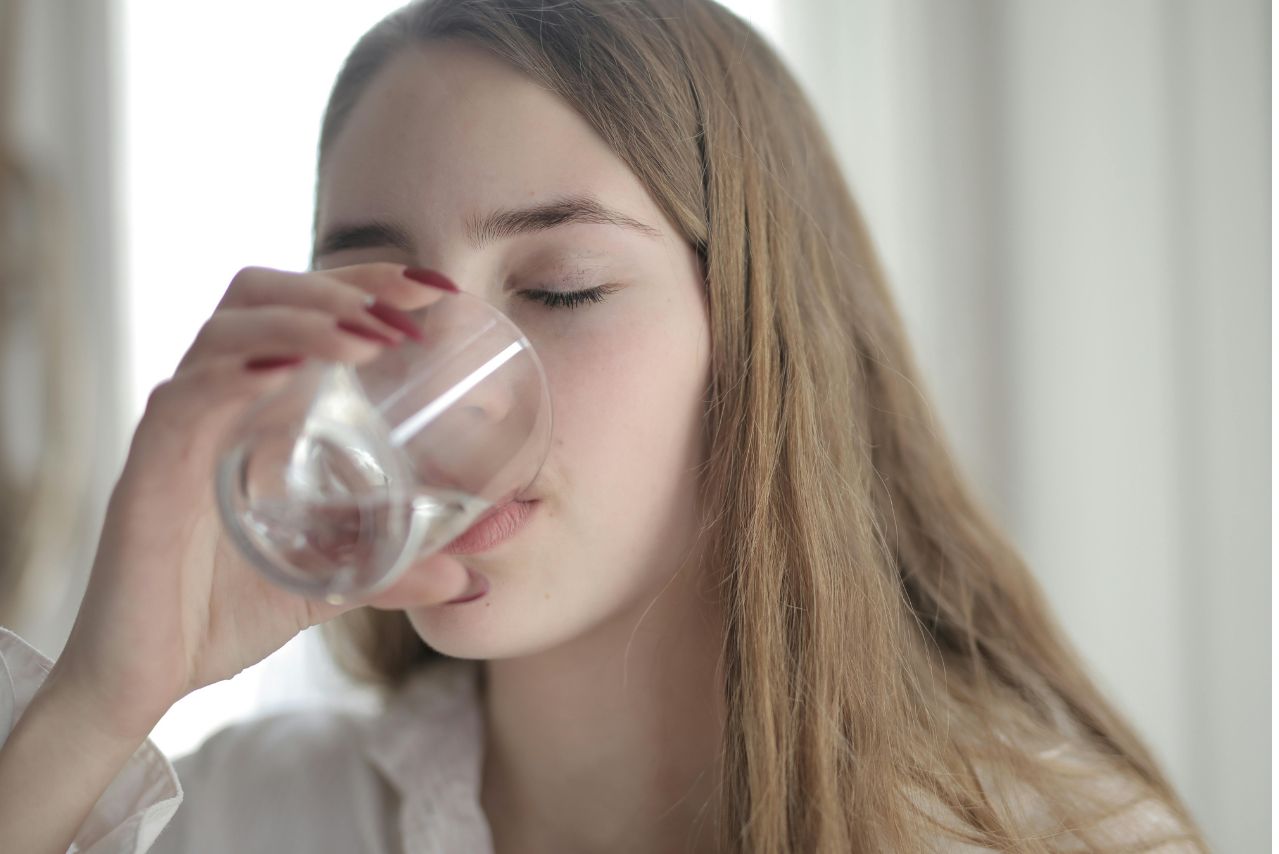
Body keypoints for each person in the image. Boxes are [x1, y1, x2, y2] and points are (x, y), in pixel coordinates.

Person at [0, 1, 1209, 851]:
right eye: (375, 301)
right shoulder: (250, 819)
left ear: (755, 337)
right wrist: (101, 701)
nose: (450, 383)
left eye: (562, 286)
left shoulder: (1046, 841)